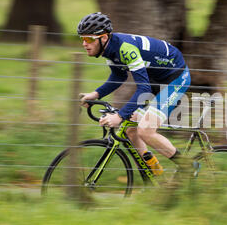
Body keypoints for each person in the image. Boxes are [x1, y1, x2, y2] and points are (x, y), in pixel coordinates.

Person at [76, 12, 192, 176]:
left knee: (145, 131)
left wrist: (120, 116)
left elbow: (143, 89)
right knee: (131, 130)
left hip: (175, 78)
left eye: (88, 39)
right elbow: (119, 76)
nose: (84, 44)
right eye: (82, 39)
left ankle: (188, 167)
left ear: (103, 38)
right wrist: (95, 94)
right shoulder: (110, 48)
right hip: (156, 78)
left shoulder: (125, 49)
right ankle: (157, 177)